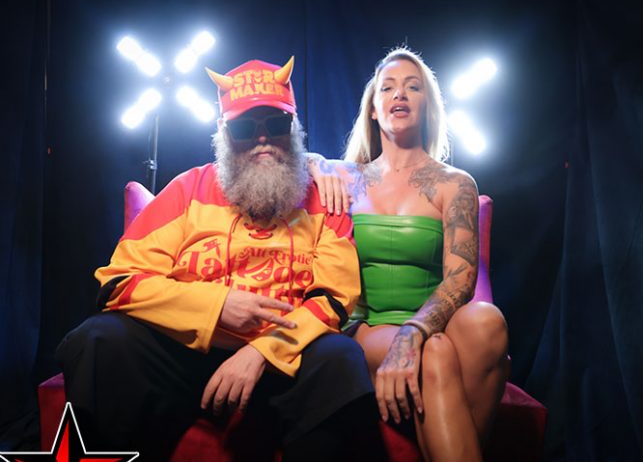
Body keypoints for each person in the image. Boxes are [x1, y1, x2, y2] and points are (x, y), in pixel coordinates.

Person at [56, 56, 384, 462]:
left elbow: (333, 300)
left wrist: (261, 351)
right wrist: (216, 307)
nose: (262, 139)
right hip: (184, 354)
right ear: (224, 134)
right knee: (99, 339)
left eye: (276, 124)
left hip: (283, 360)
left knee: (340, 358)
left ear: (294, 129)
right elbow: (118, 282)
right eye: (245, 128)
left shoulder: (324, 200)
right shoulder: (187, 189)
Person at [308, 47, 510, 462]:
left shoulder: (456, 183)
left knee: (487, 321)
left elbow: (461, 280)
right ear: (373, 110)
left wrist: (413, 332)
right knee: (437, 352)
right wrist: (314, 163)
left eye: (413, 87)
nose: (399, 94)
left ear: (428, 107)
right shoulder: (343, 176)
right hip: (367, 326)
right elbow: (288, 157)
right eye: (387, 88)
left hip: (431, 324)